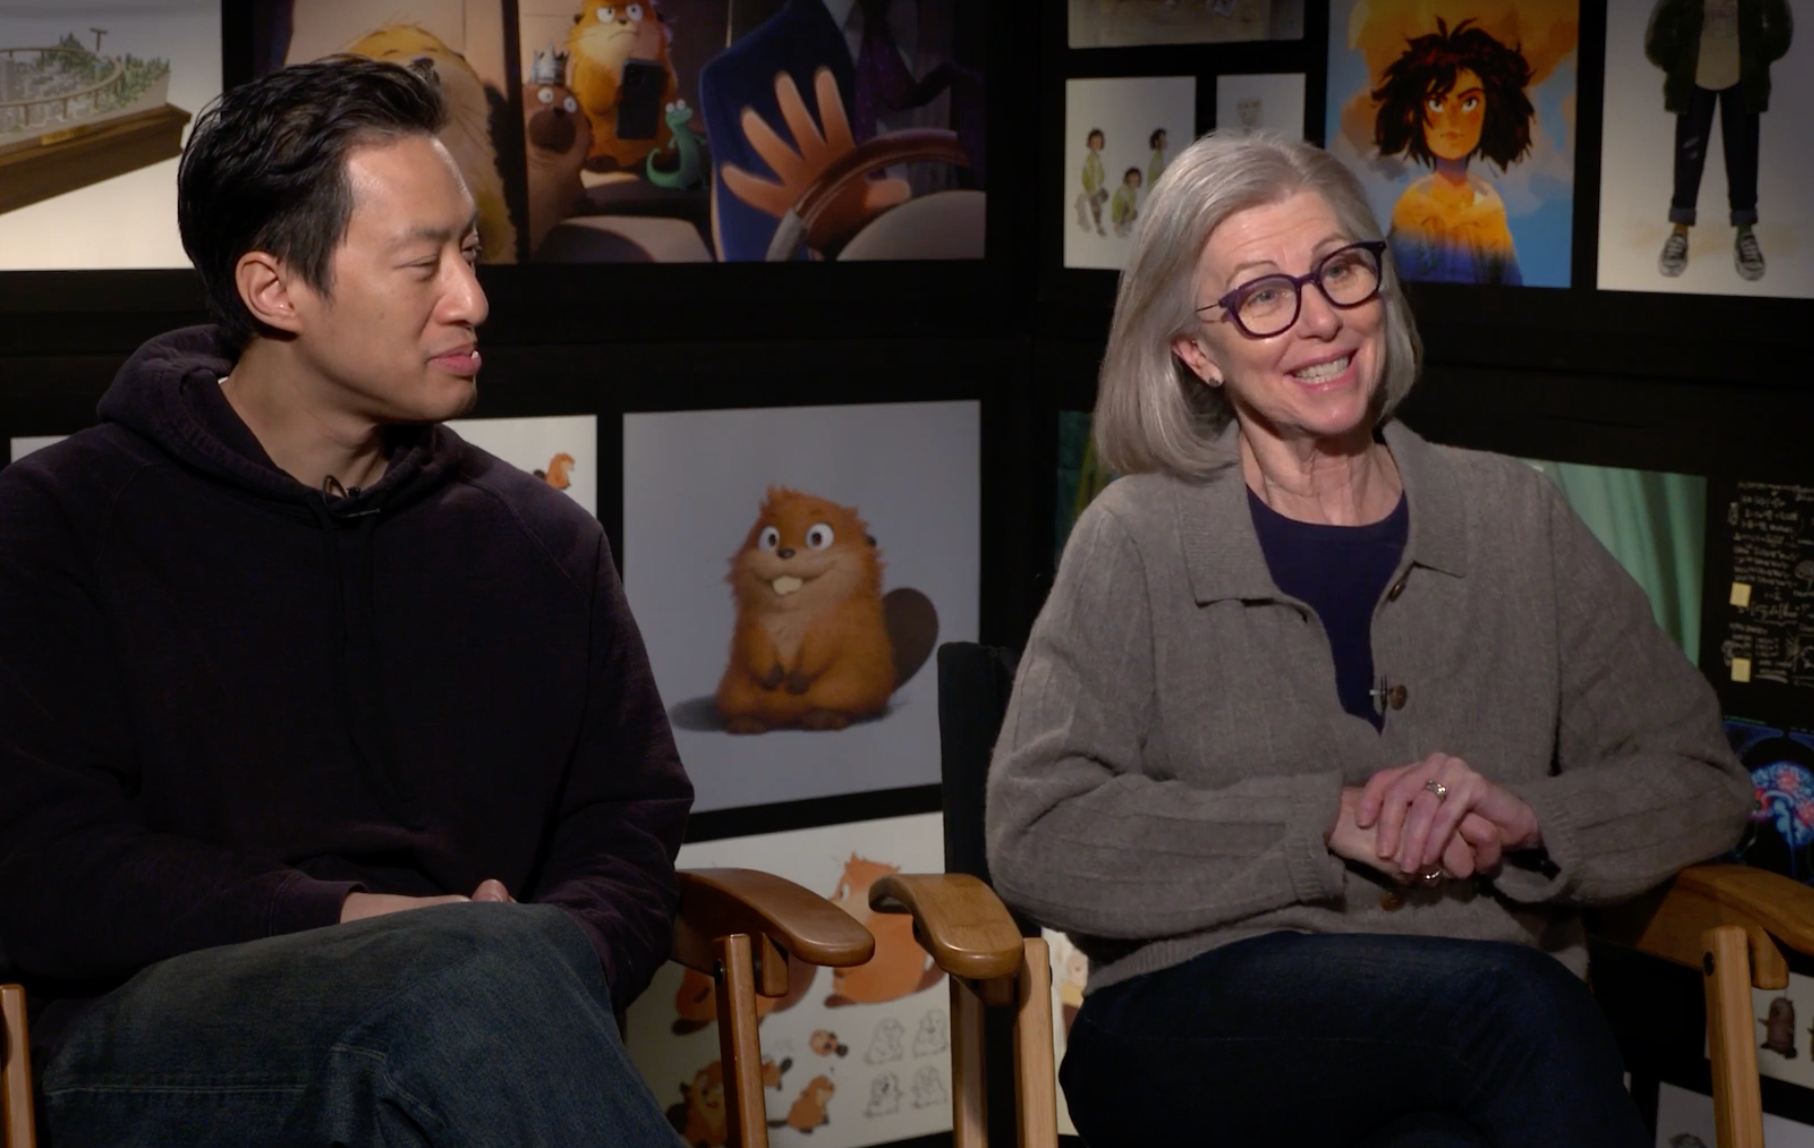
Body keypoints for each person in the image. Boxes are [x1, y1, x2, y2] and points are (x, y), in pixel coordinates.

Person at [986, 130, 1751, 1148]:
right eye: (1262, 295)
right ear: (1196, 352)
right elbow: (1037, 831)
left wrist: (1530, 819)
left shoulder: (1511, 517)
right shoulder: (1135, 535)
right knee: (1513, 1007)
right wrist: (1322, 822)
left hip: (1470, 1030)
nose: (1321, 318)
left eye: (1338, 269)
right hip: (1198, 1021)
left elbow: (1700, 775)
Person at [0, 57, 693, 1146]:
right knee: (459, 988)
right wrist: (355, 921)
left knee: (461, 1007)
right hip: (160, 1052)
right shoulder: (60, 520)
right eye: (423, 265)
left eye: (472, 254)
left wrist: (561, 952)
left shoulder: (542, 542)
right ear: (273, 289)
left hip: (484, 1027)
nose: (473, 300)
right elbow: (38, 861)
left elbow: (627, 826)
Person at [1372, 17, 1533, 285]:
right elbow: (1394, 290)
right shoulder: (1411, 210)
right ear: (1414, 114)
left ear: (1491, 110)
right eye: (1436, 103)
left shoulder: (1490, 211)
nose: (1452, 120)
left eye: (1469, 103)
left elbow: (1512, 290)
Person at [1644, 0, 1794, 281]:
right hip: (1695, 77)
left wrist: (1762, 53)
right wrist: (1670, 57)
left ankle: (1744, 230)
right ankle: (1680, 229)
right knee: (1688, 159)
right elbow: (1663, 19)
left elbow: (1778, 17)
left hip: (1743, 77)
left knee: (1743, 156)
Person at [1111, 166, 1144, 236]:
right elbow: (1125, 204)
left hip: (1126, 217)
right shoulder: (1124, 189)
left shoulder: (1132, 192)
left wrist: (1133, 213)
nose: (1135, 182)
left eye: (1136, 180)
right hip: (1120, 216)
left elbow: (1130, 205)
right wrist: (1119, 221)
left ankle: (1124, 226)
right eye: (1133, 180)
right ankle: (1119, 226)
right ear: (1128, 179)